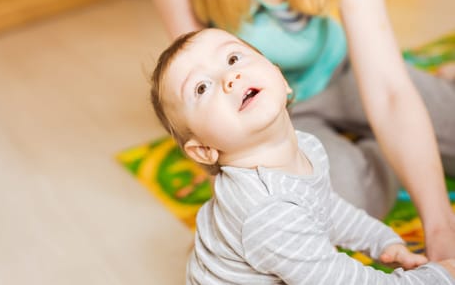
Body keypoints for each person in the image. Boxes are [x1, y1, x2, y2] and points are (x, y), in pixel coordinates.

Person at [138, 0, 455, 260]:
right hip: (272, 113)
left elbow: (388, 90)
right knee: (317, 208)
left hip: (345, 68)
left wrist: (441, 229)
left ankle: (420, 109)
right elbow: (198, 89)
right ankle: (388, 144)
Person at [149, 28, 455, 284]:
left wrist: (380, 240)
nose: (229, 78)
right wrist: (436, 276)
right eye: (202, 87)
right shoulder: (266, 213)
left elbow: (326, 206)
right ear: (204, 150)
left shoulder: (304, 144)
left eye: (233, 58)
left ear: (280, 78)